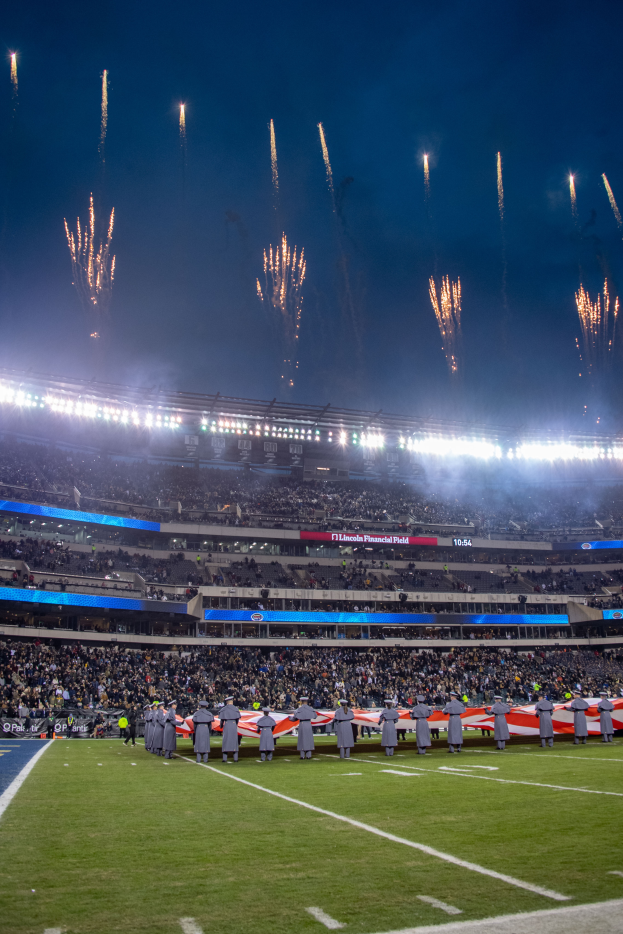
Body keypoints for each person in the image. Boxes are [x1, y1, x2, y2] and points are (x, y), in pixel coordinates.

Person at [220, 696, 241, 763]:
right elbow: (237, 719)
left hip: (226, 725)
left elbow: (221, 720)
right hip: (233, 725)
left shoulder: (224, 709)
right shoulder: (235, 709)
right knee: (234, 741)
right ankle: (235, 758)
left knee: (226, 741)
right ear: (232, 701)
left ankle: (225, 758)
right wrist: (235, 724)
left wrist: (221, 726)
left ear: (226, 702)